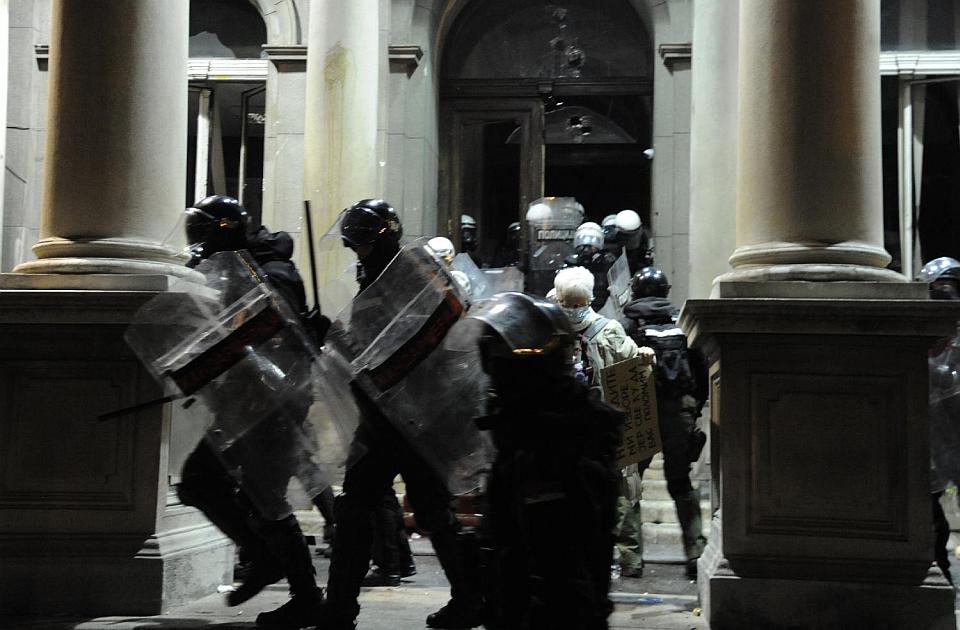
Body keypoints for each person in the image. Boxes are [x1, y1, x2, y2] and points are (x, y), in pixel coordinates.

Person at [319, 199, 482, 630]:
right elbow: (365, 345)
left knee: (429, 511)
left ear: (381, 238)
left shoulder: (418, 274)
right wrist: (332, 335)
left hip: (421, 414)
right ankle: (339, 608)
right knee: (358, 507)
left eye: (361, 245)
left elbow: (437, 341)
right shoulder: (374, 276)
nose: (357, 253)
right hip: (382, 414)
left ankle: (468, 598)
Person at [178, 194, 325, 629]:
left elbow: (267, 337)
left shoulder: (274, 273)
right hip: (246, 402)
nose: (200, 243)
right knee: (202, 484)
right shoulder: (236, 270)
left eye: (205, 233)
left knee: (262, 496)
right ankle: (267, 561)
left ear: (227, 231)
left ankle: (298, 589)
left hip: (276, 404)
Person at [469, 292, 623, 630]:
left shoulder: (548, 445)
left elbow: (558, 570)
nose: (493, 378)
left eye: (498, 364)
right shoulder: (535, 430)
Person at [553, 267, 653, 579]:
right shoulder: (608, 329)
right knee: (623, 491)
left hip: (566, 427)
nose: (570, 309)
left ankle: (576, 556)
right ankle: (629, 558)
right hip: (604, 425)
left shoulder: (549, 329)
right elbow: (635, 365)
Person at [621, 266, 709, 580]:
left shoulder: (629, 325)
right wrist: (694, 408)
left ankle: (631, 559)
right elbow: (700, 372)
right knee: (680, 482)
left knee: (631, 483)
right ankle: (696, 554)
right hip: (680, 412)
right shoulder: (680, 325)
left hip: (641, 412)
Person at [920, 256, 960, 584]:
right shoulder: (921, 337)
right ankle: (939, 568)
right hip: (930, 441)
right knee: (930, 514)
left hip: (951, 436)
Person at [563, 222, 618, 311]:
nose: (586, 250)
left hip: (605, 308)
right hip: (576, 308)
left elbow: (618, 282)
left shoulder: (608, 262)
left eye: (591, 246)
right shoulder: (570, 263)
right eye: (582, 245)